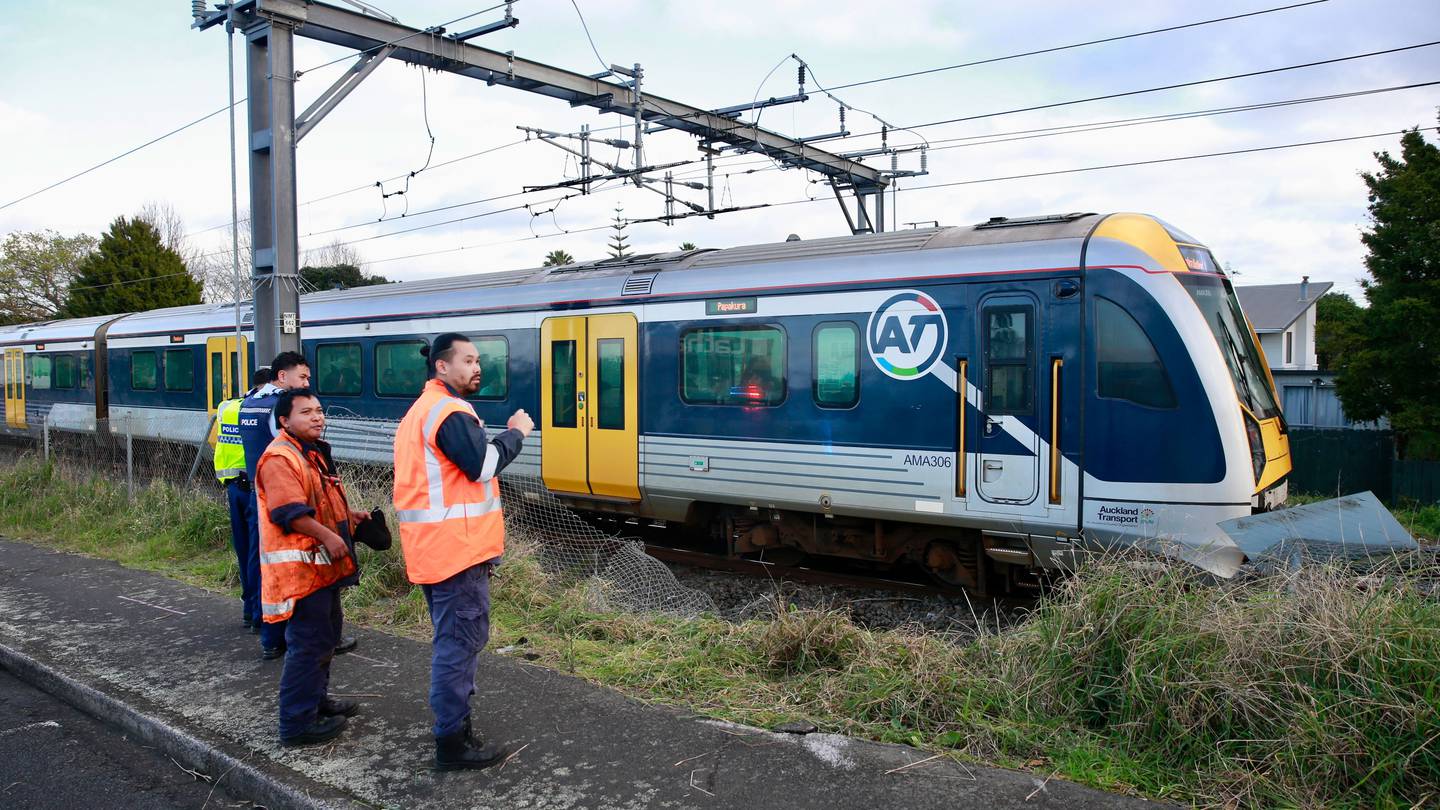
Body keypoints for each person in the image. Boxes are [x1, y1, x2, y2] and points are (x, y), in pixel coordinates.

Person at [393, 333, 533, 770]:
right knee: (458, 646)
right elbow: (484, 465)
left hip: (438, 552)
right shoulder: (447, 411)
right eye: (469, 360)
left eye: (478, 360)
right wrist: (516, 433)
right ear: (441, 367)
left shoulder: (422, 411)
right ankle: (452, 743)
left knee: (453, 643)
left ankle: (454, 731)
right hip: (457, 555)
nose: (478, 368)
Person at [255, 387, 370, 746]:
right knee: (307, 644)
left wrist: (349, 519)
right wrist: (330, 537)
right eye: (306, 412)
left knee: (325, 637)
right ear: (285, 421)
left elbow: (318, 501)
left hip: (319, 569)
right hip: (300, 572)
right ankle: (296, 724)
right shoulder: (279, 458)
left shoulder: (311, 454)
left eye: (319, 410)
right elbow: (288, 512)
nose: (317, 417)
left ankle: (317, 703)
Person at [240, 351, 358, 660]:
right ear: (282, 378)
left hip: (255, 489)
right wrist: (330, 533)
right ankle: (276, 637)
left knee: (256, 560)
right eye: (303, 378)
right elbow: (292, 508)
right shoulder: (283, 444)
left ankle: (259, 622)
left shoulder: (248, 402)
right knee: (284, 579)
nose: (307, 383)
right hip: (280, 495)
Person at [214, 367, 271, 632]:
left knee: (244, 551)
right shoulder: (260, 409)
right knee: (258, 554)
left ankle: (249, 609)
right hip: (253, 489)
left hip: (232, 488)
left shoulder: (227, 407)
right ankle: (260, 614)